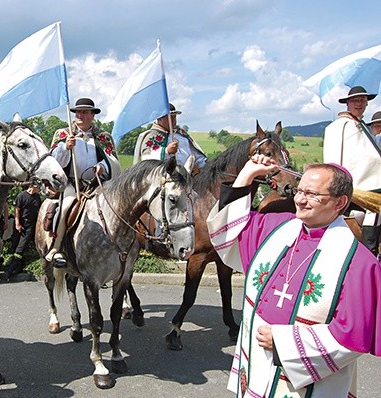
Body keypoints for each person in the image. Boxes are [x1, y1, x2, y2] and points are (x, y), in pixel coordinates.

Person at [207, 154, 381, 397]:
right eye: (300, 191)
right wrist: (246, 174)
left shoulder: (358, 262)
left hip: (311, 383)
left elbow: (352, 338)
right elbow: (229, 231)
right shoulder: (276, 228)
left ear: (340, 202)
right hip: (258, 365)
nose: (300, 199)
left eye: (311, 194)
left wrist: (283, 342)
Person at [45, 98, 120, 267]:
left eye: (85, 112)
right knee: (65, 208)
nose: (80, 115)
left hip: (97, 184)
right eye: (78, 112)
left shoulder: (103, 137)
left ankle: (118, 247)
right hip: (73, 183)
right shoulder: (63, 134)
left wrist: (102, 166)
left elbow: (112, 160)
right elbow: (54, 162)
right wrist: (65, 148)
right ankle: (56, 248)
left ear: (93, 115)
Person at [323, 86, 381, 256]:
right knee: (376, 209)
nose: (360, 103)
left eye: (363, 100)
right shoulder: (339, 126)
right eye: (356, 100)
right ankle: (370, 251)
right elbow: (334, 159)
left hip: (373, 181)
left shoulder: (360, 125)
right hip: (361, 185)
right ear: (347, 103)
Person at [133, 103, 206, 173]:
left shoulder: (181, 134)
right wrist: (166, 151)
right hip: (167, 179)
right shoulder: (151, 136)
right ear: (160, 119)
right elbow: (147, 157)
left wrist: (205, 165)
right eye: (170, 117)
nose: (174, 120)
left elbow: (196, 154)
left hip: (190, 176)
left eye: (175, 117)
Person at [4, 182, 41, 280]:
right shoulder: (22, 196)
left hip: (30, 225)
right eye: (38, 187)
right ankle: (18, 268)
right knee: (15, 246)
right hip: (20, 224)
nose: (40, 189)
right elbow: (17, 210)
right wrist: (17, 223)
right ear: (33, 186)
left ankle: (9, 271)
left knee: (20, 248)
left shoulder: (37, 197)